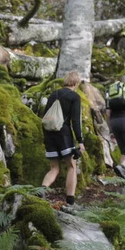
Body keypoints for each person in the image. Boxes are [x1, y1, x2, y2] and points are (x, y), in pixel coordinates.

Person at [41, 71, 86, 207]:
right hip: (64, 134)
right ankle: (70, 201)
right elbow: (76, 121)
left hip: (49, 133)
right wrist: (80, 140)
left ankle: (41, 191)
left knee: (54, 168)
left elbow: (45, 116)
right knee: (71, 166)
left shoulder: (53, 94)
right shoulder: (74, 97)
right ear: (76, 82)